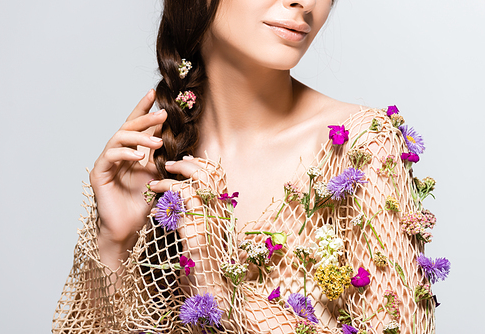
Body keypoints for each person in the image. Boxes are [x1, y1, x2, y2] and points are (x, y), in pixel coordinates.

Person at [53, 0, 441, 333]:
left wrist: (224, 290)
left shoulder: (359, 148)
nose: (302, 2)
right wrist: (114, 241)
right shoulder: (153, 160)